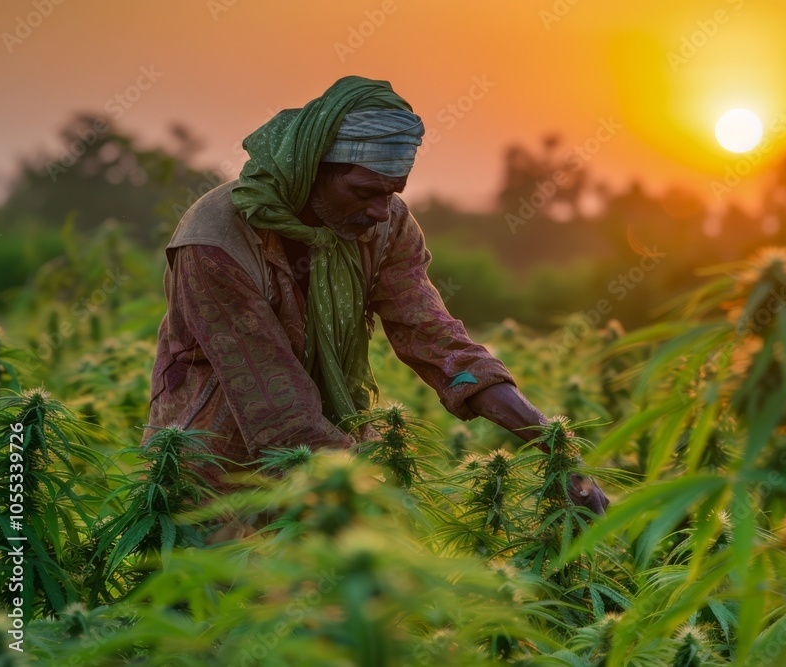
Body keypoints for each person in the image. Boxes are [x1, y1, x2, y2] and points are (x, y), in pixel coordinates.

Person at [143, 76, 609, 523]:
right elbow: (277, 406)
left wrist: (552, 445)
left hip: (332, 469)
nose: (380, 210)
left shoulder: (383, 226)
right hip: (214, 473)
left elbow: (435, 339)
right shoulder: (217, 242)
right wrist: (383, 506)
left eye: (392, 192)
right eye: (364, 191)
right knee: (213, 600)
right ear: (313, 171)